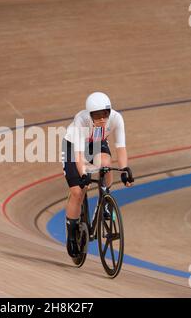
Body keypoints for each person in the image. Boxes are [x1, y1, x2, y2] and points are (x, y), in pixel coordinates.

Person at [61, 91, 134, 258]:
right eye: (97, 116)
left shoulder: (116, 118)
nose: (102, 119)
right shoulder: (81, 120)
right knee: (78, 191)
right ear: (89, 115)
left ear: (109, 112)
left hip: (96, 144)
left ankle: (105, 198)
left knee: (107, 164)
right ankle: (72, 234)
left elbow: (120, 147)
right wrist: (84, 173)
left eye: (105, 114)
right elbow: (79, 154)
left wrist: (124, 170)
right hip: (74, 147)